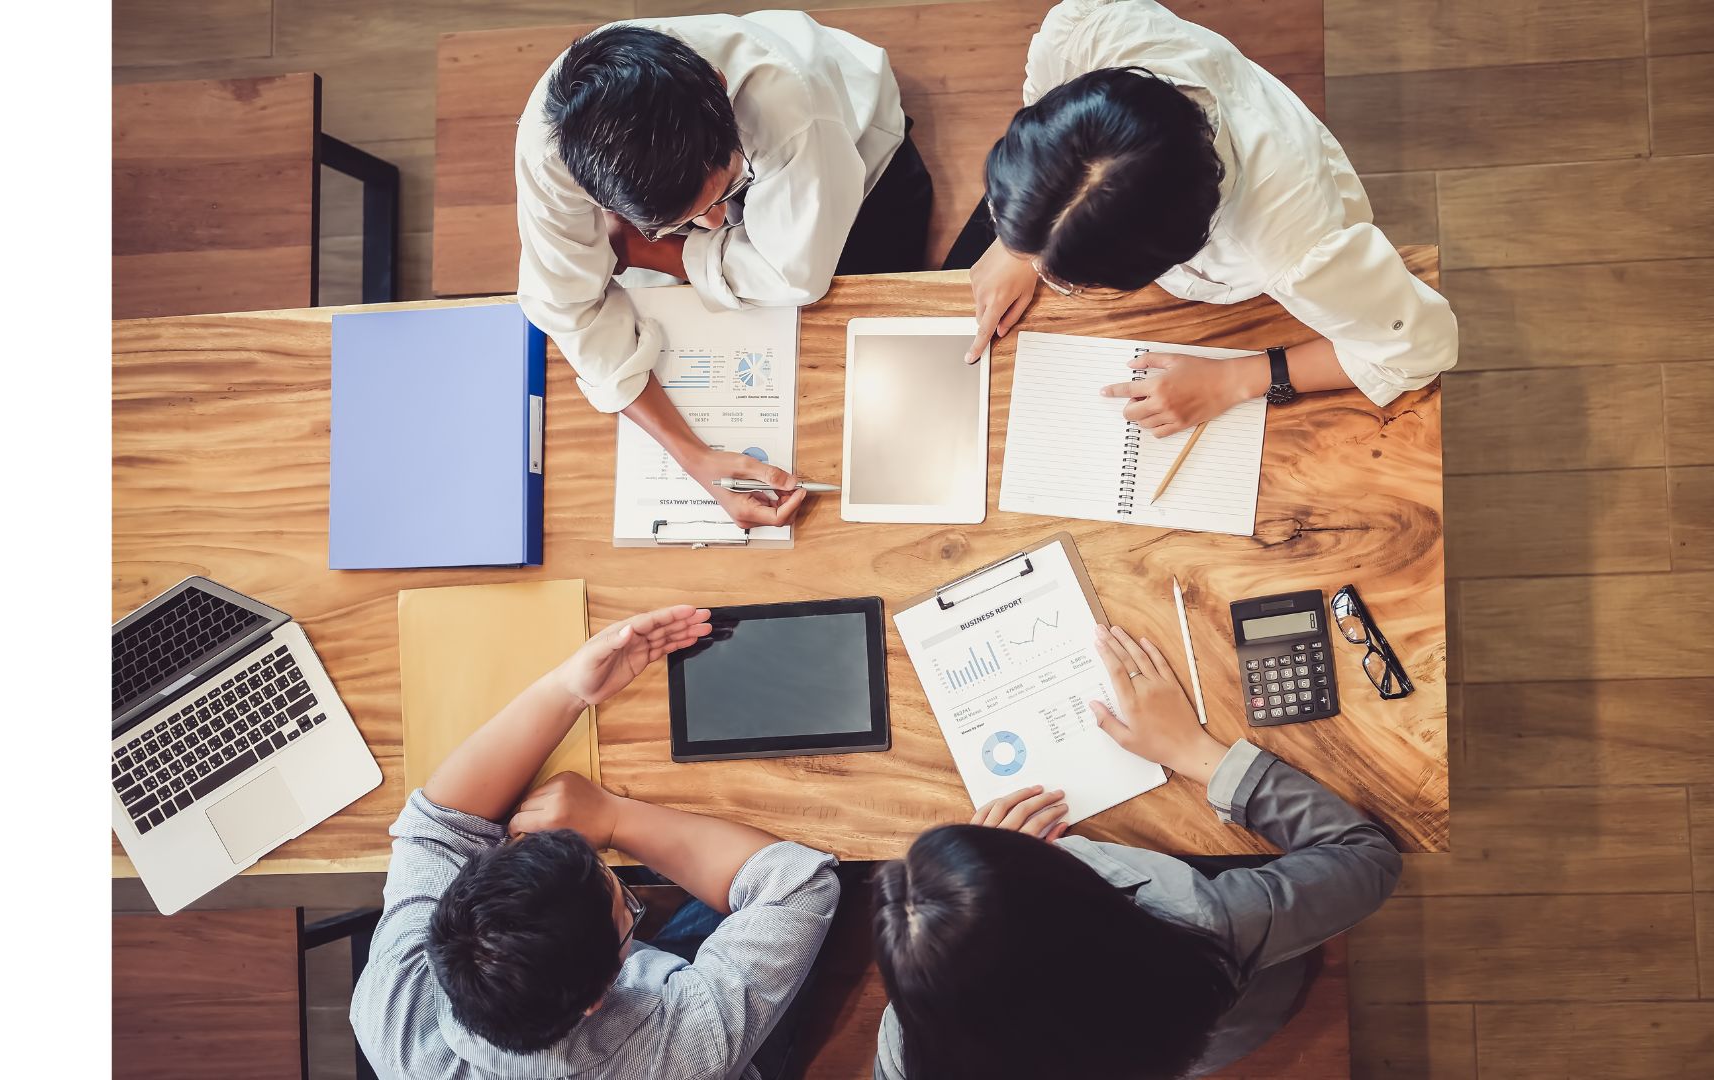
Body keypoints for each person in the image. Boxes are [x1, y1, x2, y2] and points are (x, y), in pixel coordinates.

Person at [869, 623, 1401, 1080]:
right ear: (1071, 890)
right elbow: (1365, 857)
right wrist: (1194, 751)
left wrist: (971, 908)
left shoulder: (908, 1047)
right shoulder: (1201, 920)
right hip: (1230, 1016)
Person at [350, 605, 841, 1080]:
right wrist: (613, 819)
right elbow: (799, 882)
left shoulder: (392, 1009)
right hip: (693, 1039)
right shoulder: (685, 1050)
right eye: (624, 907)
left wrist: (567, 689)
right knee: (826, 860)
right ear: (597, 997)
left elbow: (440, 828)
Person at [947, 0, 1457, 435]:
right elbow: (1049, 105)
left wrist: (1233, 380)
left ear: (1177, 248)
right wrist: (1028, 233)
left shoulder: (1292, 248)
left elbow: (1417, 350)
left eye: (1077, 280)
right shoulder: (1092, 31)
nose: (1043, 270)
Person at [517, 13, 933, 528]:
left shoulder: (787, 103)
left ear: (719, 84)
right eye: (684, 221)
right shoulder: (550, 153)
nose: (715, 224)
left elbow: (796, 275)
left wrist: (658, 251)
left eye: (723, 191)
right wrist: (696, 460)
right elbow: (567, 309)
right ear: (593, 194)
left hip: (858, 156)